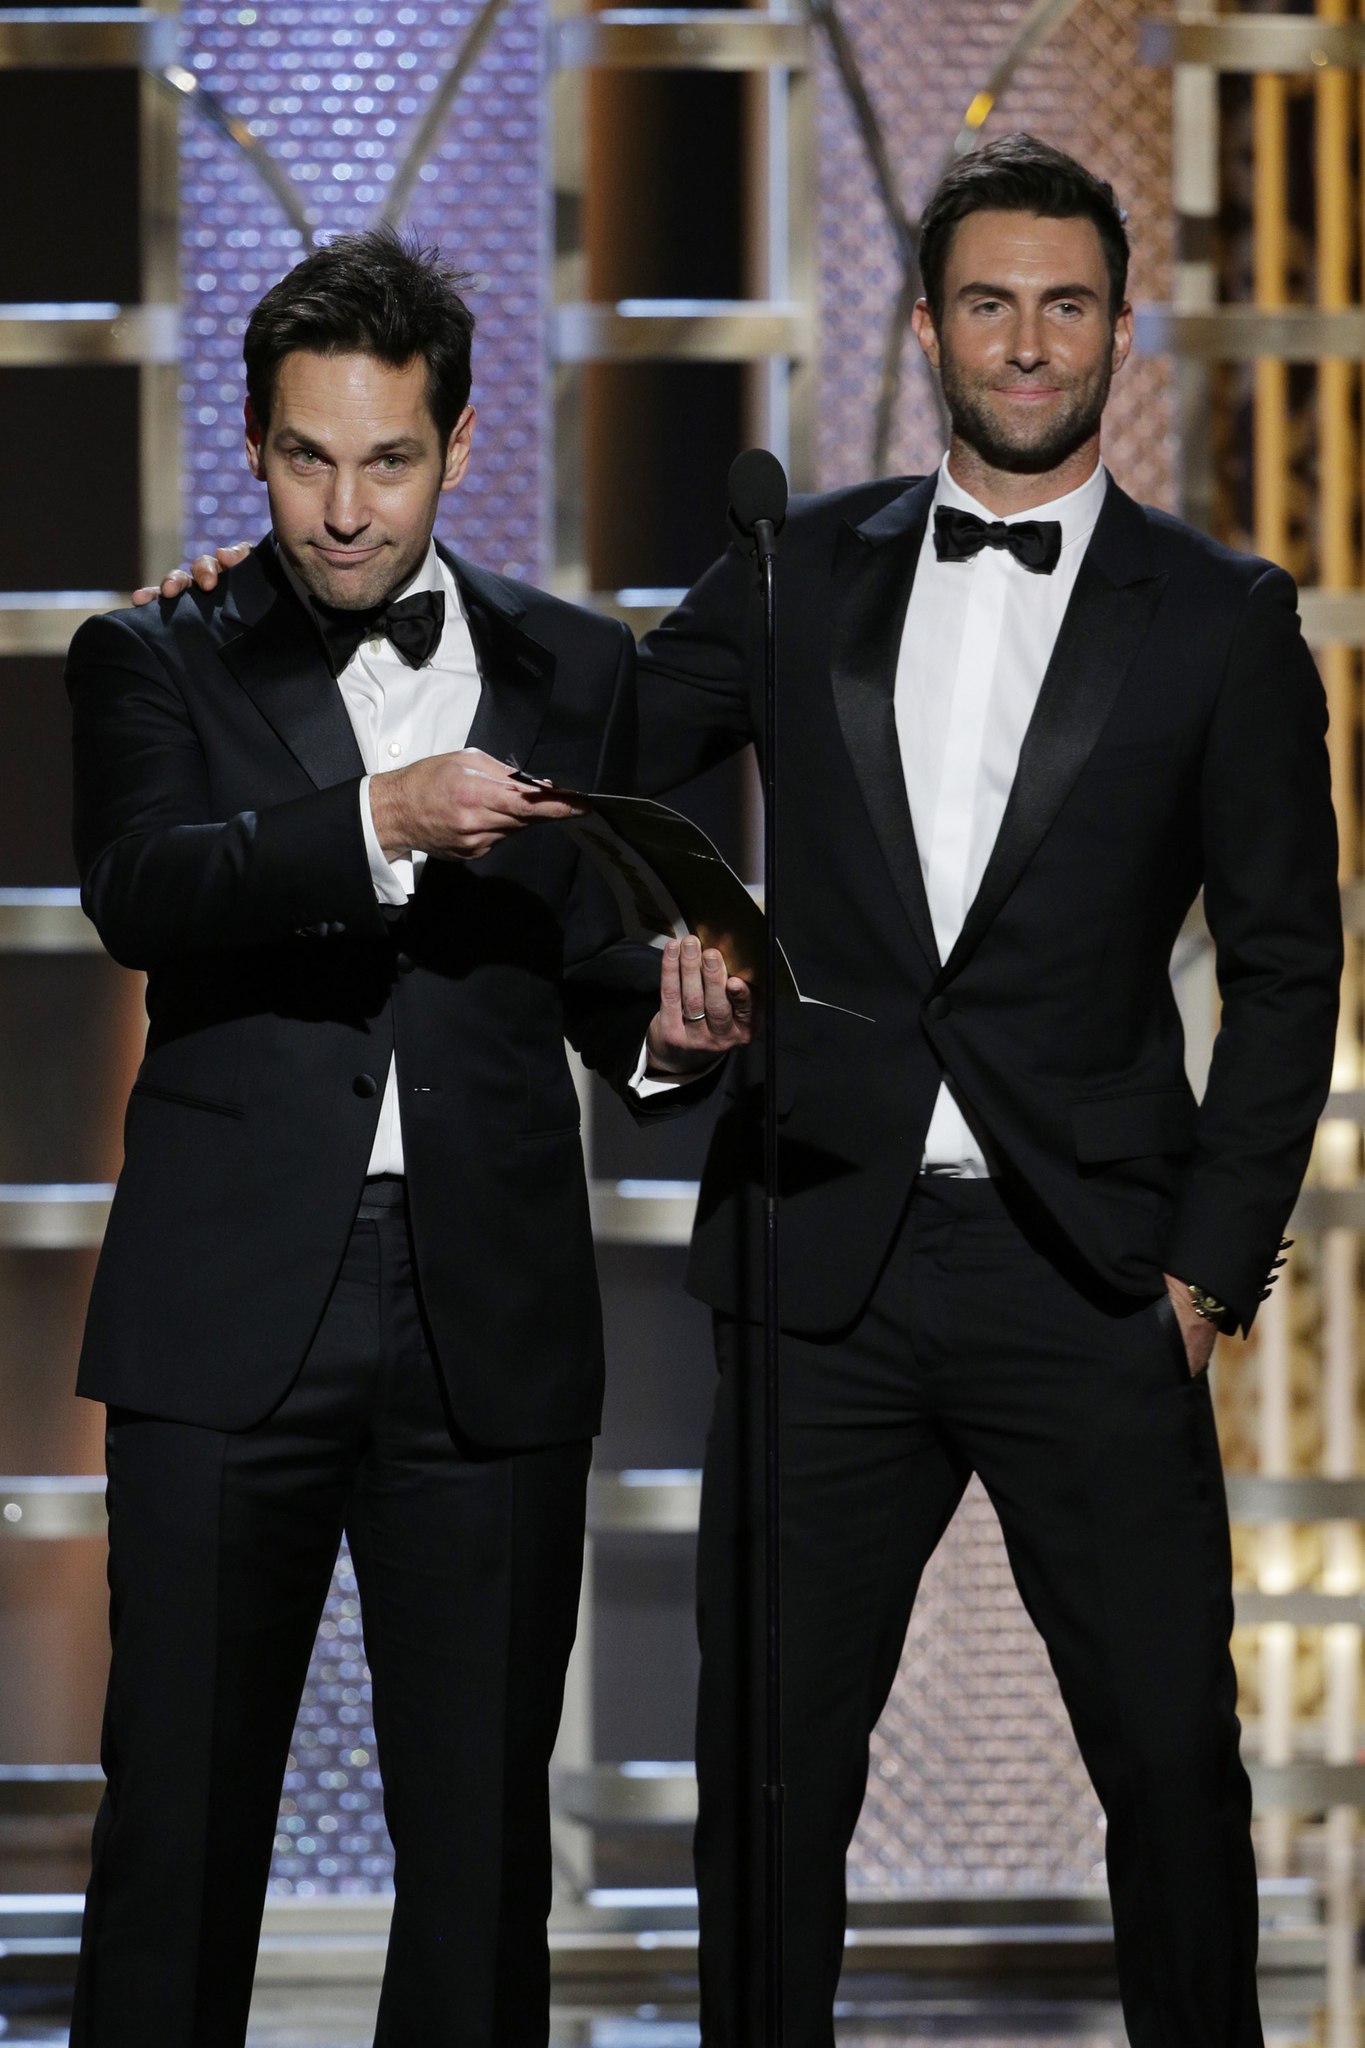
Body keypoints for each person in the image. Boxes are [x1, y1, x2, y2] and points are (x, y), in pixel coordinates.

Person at [153, 135, 1343, 2048]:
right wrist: (284, 606)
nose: (1024, 342)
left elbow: (1288, 969)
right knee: (769, 1790)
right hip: (816, 1269)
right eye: (985, 301)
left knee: (1173, 1785)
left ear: (1120, 327)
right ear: (928, 327)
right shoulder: (801, 567)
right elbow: (569, 718)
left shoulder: (1222, 615)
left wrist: (1205, 1272)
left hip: (1098, 1283)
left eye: (1061, 303)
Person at [69, 226, 749, 2047]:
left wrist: (675, 1033)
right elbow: (144, 888)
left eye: (387, 459)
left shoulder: (571, 664)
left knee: (474, 1867)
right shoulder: (153, 654)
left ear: (455, 447)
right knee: (180, 1838)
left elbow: (593, 971)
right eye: (306, 458)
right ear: (255, 444)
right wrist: (375, 812)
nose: (345, 509)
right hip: (229, 1325)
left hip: (489, 1320)